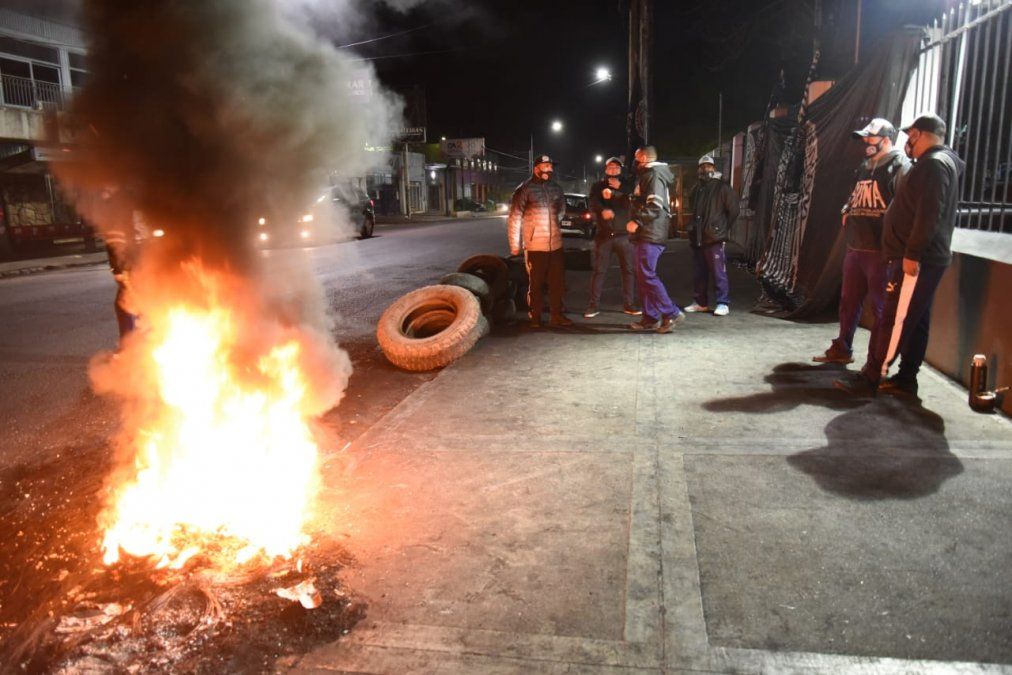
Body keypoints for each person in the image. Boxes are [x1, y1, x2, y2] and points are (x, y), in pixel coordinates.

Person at [835, 113, 965, 397]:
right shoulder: (938, 163)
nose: (908, 142)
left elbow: (929, 213)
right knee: (916, 320)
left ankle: (871, 377)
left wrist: (912, 253)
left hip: (917, 258)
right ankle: (906, 378)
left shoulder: (932, 165)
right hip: (923, 257)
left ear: (918, 134)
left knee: (894, 320)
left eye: (910, 136)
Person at [814, 118, 909, 364]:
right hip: (856, 247)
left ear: (886, 140)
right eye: (864, 138)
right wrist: (847, 209)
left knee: (881, 308)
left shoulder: (900, 166)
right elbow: (856, 194)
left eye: (871, 138)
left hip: (880, 252)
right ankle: (842, 349)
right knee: (848, 303)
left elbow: (906, 206)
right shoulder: (866, 166)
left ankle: (875, 364)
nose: (866, 143)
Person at [507, 154, 573, 328]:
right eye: (545, 166)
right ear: (536, 169)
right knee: (535, 284)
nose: (549, 170)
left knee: (557, 283)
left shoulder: (556, 188)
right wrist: (515, 245)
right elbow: (514, 217)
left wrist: (555, 224)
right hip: (535, 246)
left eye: (551, 167)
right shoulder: (525, 189)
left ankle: (556, 315)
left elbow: (561, 209)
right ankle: (535, 317)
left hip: (555, 245)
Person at [626, 146, 684, 333]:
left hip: (650, 233)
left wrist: (637, 221)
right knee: (643, 276)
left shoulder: (653, 174)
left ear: (642, 157)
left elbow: (655, 204)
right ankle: (650, 317)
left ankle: (672, 313)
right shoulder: (649, 174)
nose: (634, 161)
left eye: (636, 157)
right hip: (647, 233)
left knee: (647, 275)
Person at [584, 156, 640, 318]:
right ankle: (593, 305)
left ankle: (629, 304)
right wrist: (602, 210)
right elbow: (593, 203)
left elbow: (635, 196)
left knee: (628, 271)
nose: (613, 170)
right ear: (605, 169)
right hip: (604, 236)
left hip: (625, 236)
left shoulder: (628, 185)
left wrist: (620, 187)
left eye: (616, 168)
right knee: (599, 271)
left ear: (621, 170)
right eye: (610, 167)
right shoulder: (598, 186)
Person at [685, 154, 739, 316]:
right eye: (702, 166)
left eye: (708, 166)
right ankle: (700, 303)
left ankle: (723, 303)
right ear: (698, 169)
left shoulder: (722, 187)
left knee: (718, 272)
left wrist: (721, 229)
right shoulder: (696, 188)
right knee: (699, 273)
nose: (705, 169)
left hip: (714, 238)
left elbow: (734, 210)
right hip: (698, 238)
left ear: (714, 168)